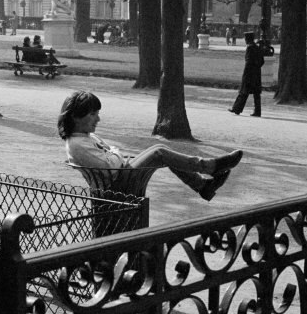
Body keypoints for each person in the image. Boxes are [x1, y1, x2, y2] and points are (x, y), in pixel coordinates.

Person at [59, 91, 243, 201]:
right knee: (160, 153)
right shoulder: (77, 144)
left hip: (121, 178)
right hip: (116, 187)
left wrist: (114, 154)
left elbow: (113, 156)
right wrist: (115, 153)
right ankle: (208, 168)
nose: (98, 119)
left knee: (160, 152)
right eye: (92, 114)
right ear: (76, 116)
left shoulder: (86, 137)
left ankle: (203, 185)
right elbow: (113, 162)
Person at [228, 32, 264, 118]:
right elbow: (262, 61)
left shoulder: (249, 48)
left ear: (247, 39)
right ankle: (257, 111)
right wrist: (257, 67)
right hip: (257, 73)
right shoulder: (257, 48)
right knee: (256, 93)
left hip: (249, 73)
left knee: (243, 91)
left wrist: (246, 73)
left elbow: (248, 62)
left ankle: (237, 108)